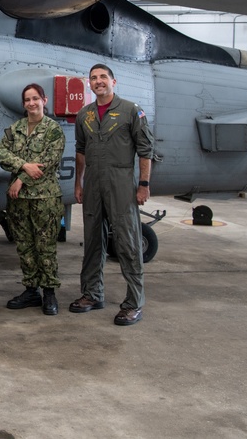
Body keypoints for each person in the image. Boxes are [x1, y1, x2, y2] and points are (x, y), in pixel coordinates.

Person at [72, 63, 154, 326]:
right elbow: (81, 151)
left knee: (128, 241)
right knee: (93, 239)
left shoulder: (131, 110)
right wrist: (79, 183)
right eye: (94, 78)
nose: (98, 81)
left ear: (113, 82)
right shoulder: (84, 114)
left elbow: (145, 150)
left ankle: (133, 303)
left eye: (103, 77)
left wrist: (143, 184)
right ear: (89, 84)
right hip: (94, 182)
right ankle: (93, 294)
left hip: (121, 182)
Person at [0, 83, 66, 315]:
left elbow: (48, 162)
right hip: (19, 201)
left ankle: (49, 292)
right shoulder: (15, 129)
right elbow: (2, 152)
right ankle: (30, 290)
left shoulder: (53, 130)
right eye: (27, 99)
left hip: (44, 199)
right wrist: (24, 165)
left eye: (36, 98)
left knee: (45, 247)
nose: (31, 103)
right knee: (24, 247)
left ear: (44, 100)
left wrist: (20, 179)